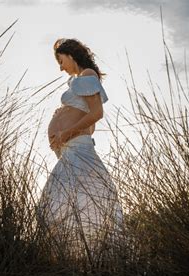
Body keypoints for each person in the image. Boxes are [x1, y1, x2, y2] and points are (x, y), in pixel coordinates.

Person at [38, 38, 123, 264]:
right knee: (63, 203)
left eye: (61, 60)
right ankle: (72, 262)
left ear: (71, 54)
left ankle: (80, 262)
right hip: (72, 150)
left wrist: (66, 133)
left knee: (55, 203)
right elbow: (90, 121)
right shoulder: (80, 80)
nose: (60, 66)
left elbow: (96, 115)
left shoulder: (87, 76)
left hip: (77, 149)